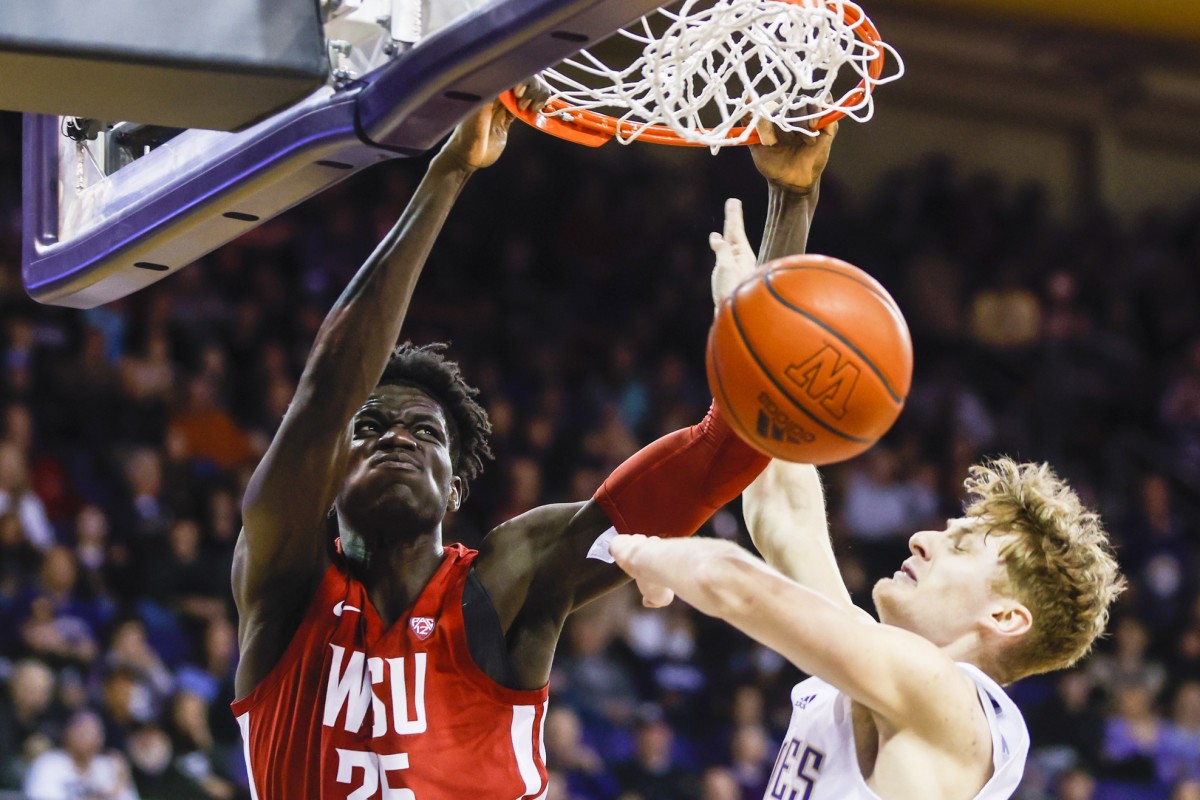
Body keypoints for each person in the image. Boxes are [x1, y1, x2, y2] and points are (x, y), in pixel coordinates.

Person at [230, 87, 836, 798]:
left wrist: (793, 202)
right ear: (327, 469)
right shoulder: (283, 582)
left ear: (455, 488)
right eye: (368, 428)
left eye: (426, 432)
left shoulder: (507, 579)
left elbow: (726, 449)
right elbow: (325, 390)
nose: (396, 435)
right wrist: (448, 170)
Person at [609, 197, 1125, 800]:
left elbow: (735, 583)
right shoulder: (877, 674)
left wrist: (643, 550)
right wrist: (744, 316)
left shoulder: (950, 702)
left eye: (960, 547)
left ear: (1005, 618)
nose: (923, 537)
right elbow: (784, 512)